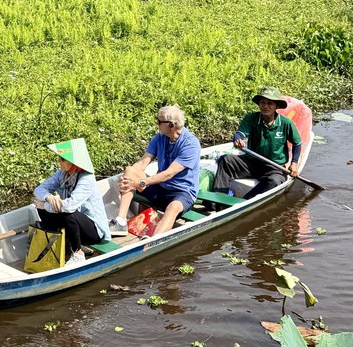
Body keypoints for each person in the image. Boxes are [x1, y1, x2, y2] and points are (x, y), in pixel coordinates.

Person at [111, 105, 201, 236]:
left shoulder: (191, 144)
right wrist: (127, 179)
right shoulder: (159, 138)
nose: (157, 124)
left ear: (171, 125)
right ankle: (120, 221)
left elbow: (168, 174)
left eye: (159, 121)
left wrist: (140, 183)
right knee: (130, 170)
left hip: (182, 192)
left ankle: (154, 240)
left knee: (173, 208)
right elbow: (143, 162)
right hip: (160, 188)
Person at [32, 138, 110, 265]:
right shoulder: (61, 174)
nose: (59, 161)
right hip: (74, 225)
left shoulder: (86, 179)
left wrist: (45, 205)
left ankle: (78, 253)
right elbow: (39, 189)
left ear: (74, 162)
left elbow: (69, 206)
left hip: (93, 231)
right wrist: (48, 197)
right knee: (40, 205)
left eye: (62, 159)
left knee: (68, 213)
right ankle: (61, 241)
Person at [213, 87, 301, 199]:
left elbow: (297, 143)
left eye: (270, 103)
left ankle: (245, 200)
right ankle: (218, 199)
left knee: (274, 181)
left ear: (276, 106)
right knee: (226, 161)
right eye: (262, 103)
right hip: (252, 162)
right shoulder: (251, 118)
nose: (265, 106)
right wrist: (238, 140)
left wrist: (294, 163)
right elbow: (239, 134)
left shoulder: (285, 123)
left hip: (274, 167)